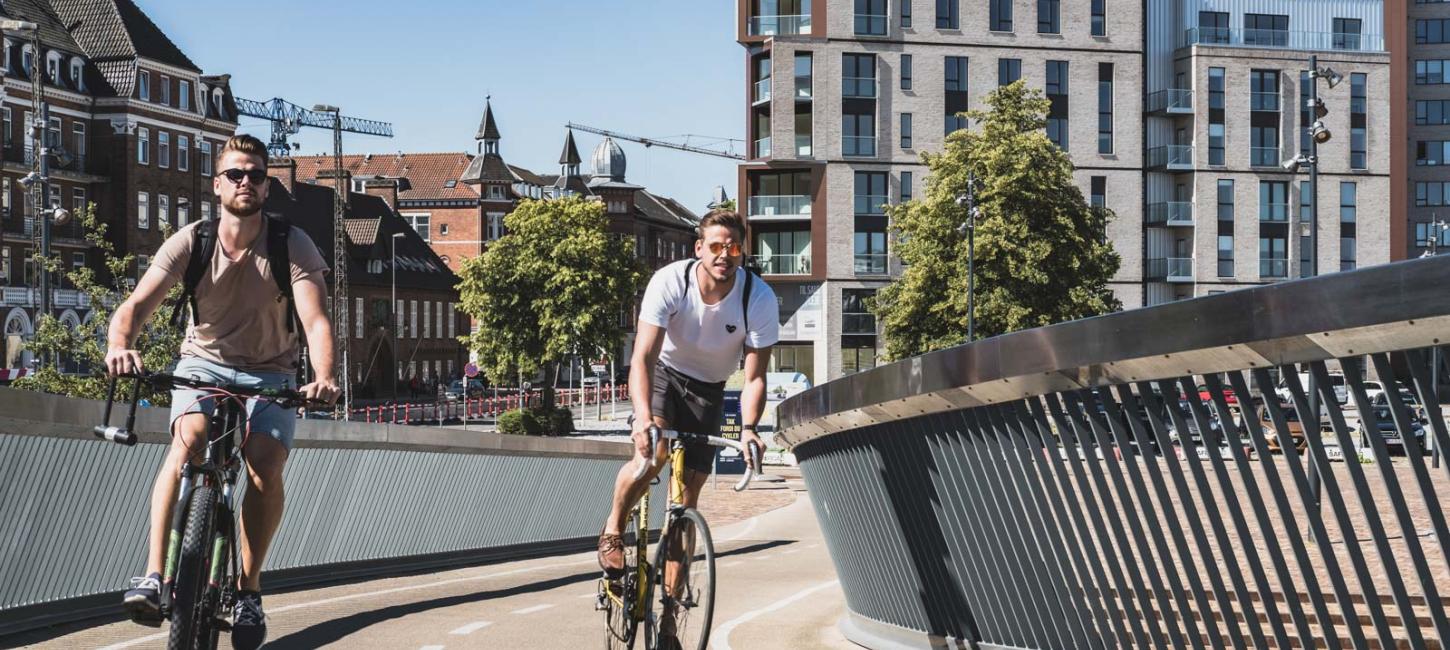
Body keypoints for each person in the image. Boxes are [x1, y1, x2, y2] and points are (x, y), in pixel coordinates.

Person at [107, 134, 338, 650]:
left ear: (266, 185)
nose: (245, 183)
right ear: (217, 185)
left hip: (272, 374)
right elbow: (137, 305)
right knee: (187, 442)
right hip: (202, 365)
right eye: (235, 174)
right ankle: (153, 575)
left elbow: (316, 319)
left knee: (264, 465)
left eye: (256, 175)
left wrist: (322, 376)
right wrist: (120, 345)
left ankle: (249, 590)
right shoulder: (193, 240)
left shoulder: (290, 243)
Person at [597, 209, 778, 642]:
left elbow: (754, 378)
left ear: (741, 252)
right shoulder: (670, 282)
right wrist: (643, 419)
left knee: (686, 503)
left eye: (733, 247)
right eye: (715, 246)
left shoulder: (758, 297)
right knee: (652, 455)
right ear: (699, 248)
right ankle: (612, 531)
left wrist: (750, 428)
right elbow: (640, 358)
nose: (724, 255)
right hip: (664, 375)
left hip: (710, 390)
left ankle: (670, 621)